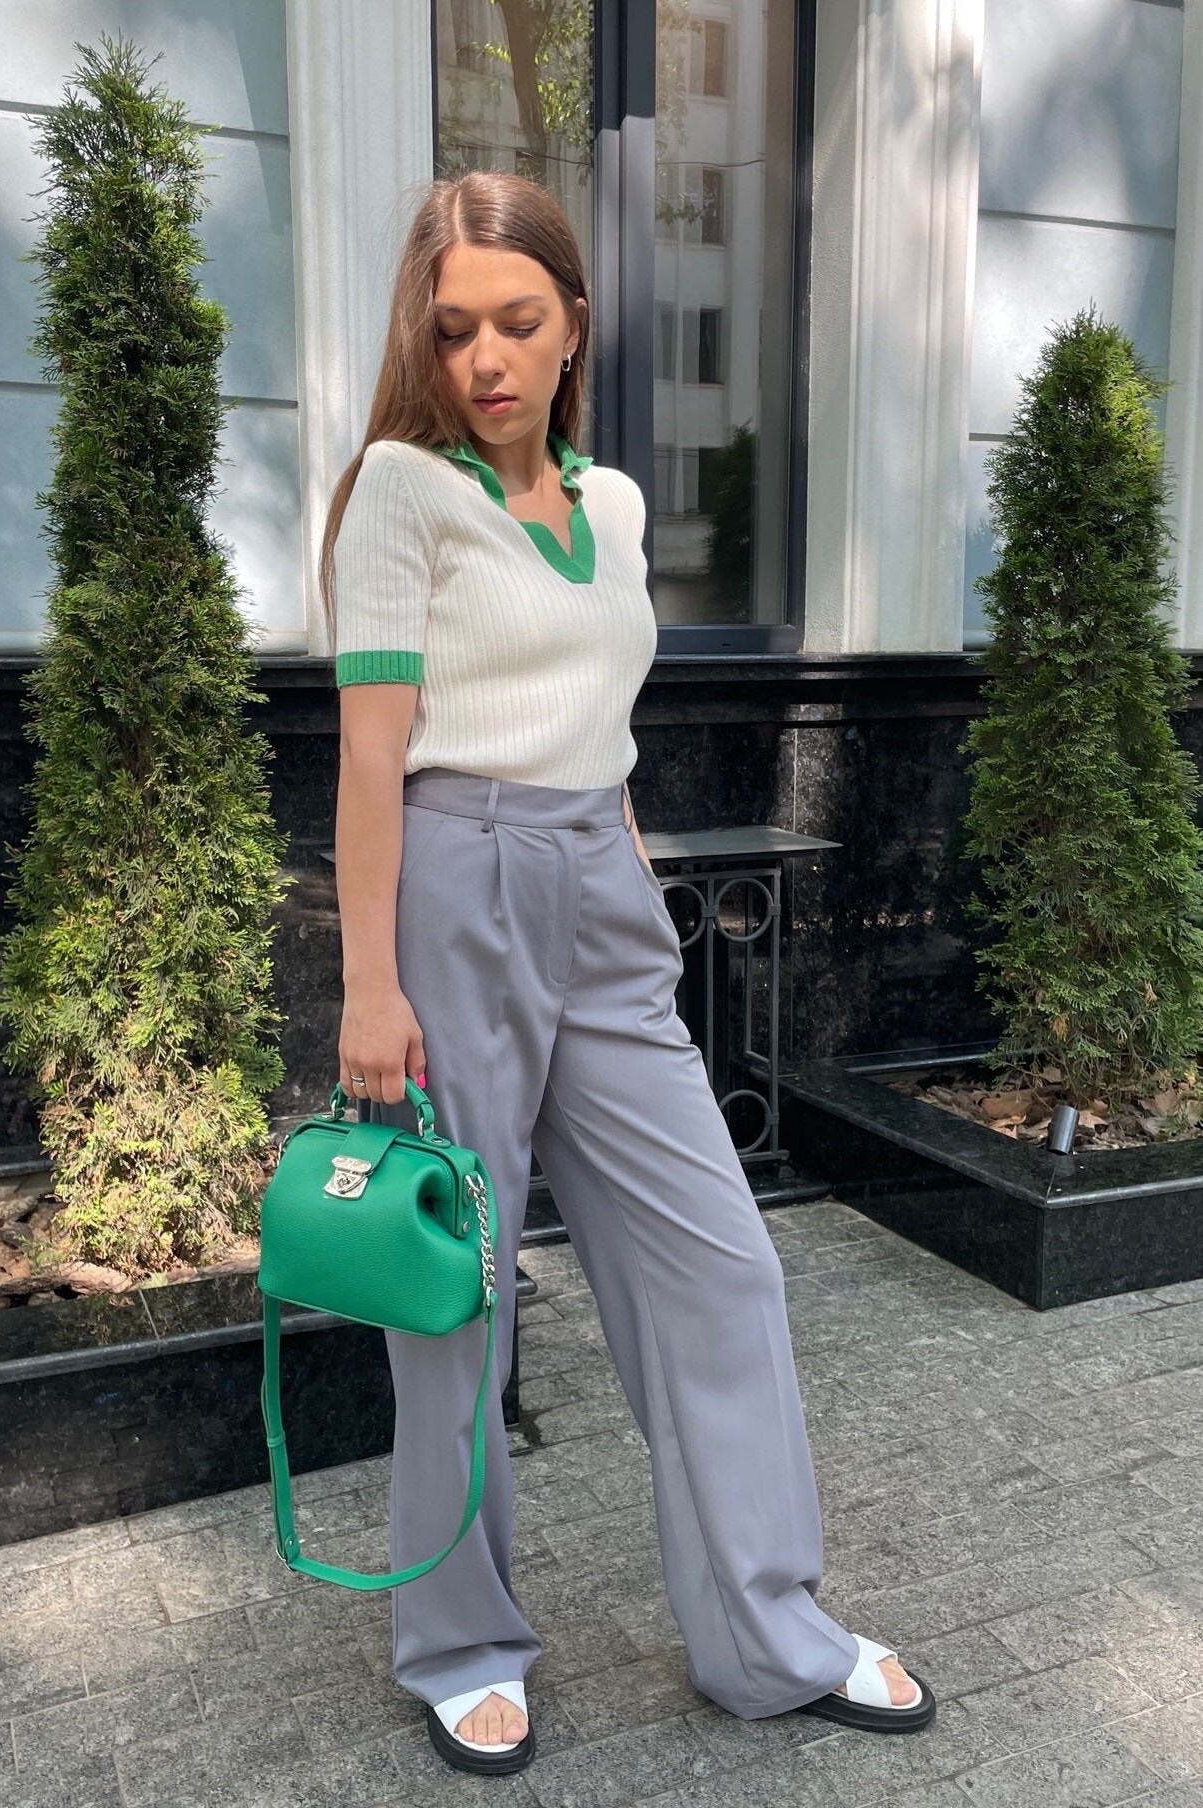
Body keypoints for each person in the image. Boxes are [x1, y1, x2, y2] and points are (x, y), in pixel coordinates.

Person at [321, 170, 936, 1778]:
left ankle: (769, 1633)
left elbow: (599, 716)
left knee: (720, 1265)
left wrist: (626, 876)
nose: (485, 358)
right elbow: (372, 762)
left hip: (599, 877)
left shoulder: (614, 508)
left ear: (576, 325)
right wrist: (370, 984)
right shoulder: (399, 491)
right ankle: (460, 1642)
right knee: (454, 1294)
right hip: (453, 882)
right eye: (453, 330)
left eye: (517, 321)